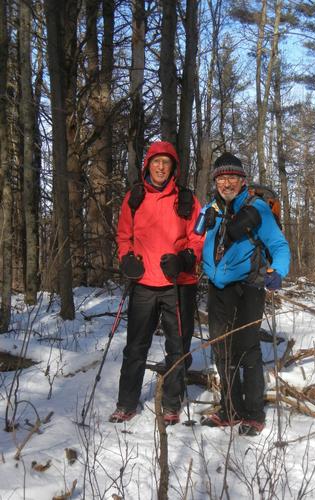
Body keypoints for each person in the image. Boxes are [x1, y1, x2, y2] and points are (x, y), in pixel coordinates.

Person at [110, 141, 203, 425]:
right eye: (156, 161)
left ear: (174, 167)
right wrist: (126, 259)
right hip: (143, 283)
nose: (161, 167)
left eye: (167, 162)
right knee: (135, 347)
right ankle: (126, 404)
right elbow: (124, 235)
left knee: (177, 347)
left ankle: (172, 405)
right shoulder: (134, 197)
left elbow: (198, 237)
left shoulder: (186, 199)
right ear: (147, 165)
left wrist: (185, 259)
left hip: (178, 284)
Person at [199, 152, 290, 436]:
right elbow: (198, 239)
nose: (227, 183)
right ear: (216, 181)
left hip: (249, 286)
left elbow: (279, 245)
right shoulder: (211, 208)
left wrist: (277, 272)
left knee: (248, 349)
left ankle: (253, 413)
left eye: (232, 178)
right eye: (222, 178)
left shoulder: (257, 208)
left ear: (242, 181)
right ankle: (230, 409)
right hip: (218, 287)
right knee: (222, 349)